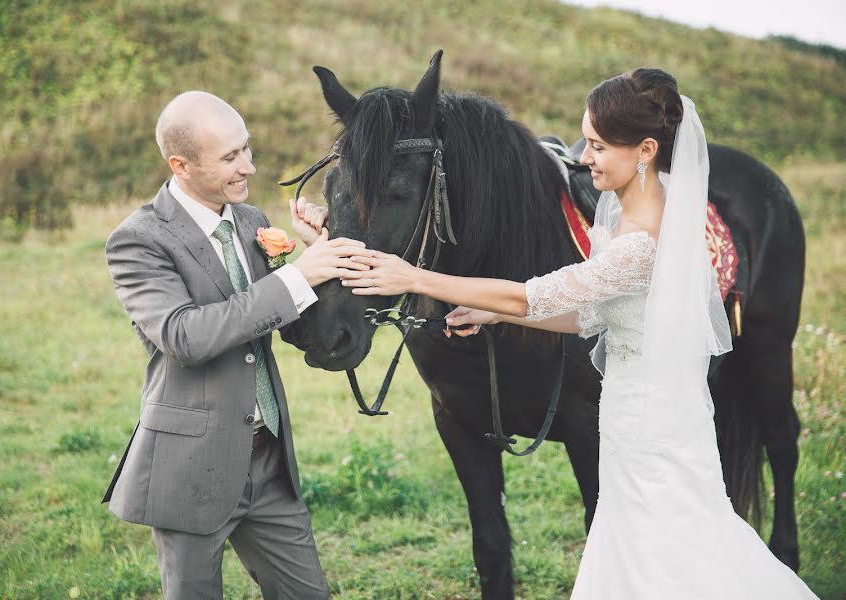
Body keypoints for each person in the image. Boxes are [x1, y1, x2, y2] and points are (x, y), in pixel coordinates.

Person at [333, 69, 818, 598]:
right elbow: (590, 316)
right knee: (638, 548)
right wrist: (498, 316)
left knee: (668, 547)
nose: (581, 157)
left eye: (597, 145)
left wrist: (417, 278)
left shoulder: (641, 245)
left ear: (645, 151)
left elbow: (538, 294)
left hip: (649, 426)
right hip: (630, 419)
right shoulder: (627, 224)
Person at [102, 90, 370, 599]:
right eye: (230, 157)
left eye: (246, 148)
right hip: (190, 470)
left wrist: (321, 259)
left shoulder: (251, 222)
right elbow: (185, 336)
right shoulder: (139, 239)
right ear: (180, 165)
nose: (248, 165)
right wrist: (297, 279)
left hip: (269, 463)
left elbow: (295, 330)